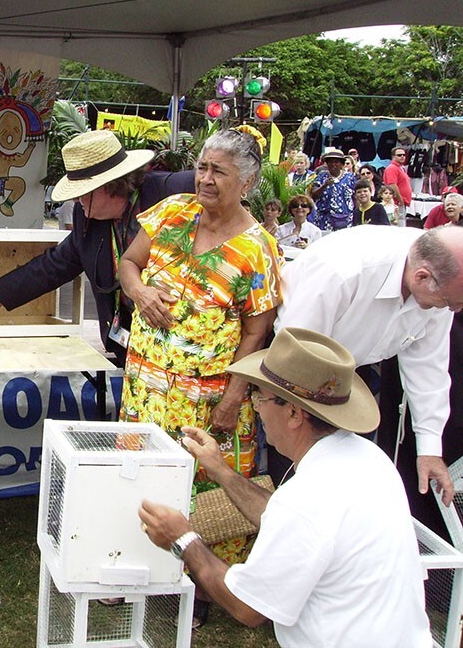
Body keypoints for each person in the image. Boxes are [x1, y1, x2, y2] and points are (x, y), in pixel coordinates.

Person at [137, 328, 430, 648]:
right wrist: (220, 469)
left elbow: (247, 607)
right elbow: (286, 519)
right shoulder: (370, 459)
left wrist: (183, 539)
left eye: (259, 397)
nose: (257, 408)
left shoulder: (306, 498)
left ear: (293, 413)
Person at [117, 128, 283, 621]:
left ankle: (205, 588)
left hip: (206, 400)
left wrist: (234, 396)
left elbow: (256, 334)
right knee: (144, 475)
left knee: (207, 486)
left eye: (218, 172)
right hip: (145, 390)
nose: (204, 179)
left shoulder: (259, 249)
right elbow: (129, 263)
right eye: (203, 167)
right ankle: (142, 567)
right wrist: (141, 294)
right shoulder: (171, 211)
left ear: (247, 182)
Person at [0, 130, 194, 368]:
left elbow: (221, 181)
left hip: (190, 340)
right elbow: (51, 266)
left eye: (81, 193)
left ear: (108, 186)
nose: (76, 201)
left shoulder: (174, 190)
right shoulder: (87, 219)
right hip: (136, 349)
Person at [275, 225, 463, 505]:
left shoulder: (442, 281)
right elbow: (294, 351)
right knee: (294, 479)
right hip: (291, 360)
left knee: (344, 477)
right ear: (422, 276)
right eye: (449, 303)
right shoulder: (342, 270)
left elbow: (429, 367)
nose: (452, 311)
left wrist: (429, 448)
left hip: (355, 368)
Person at [310, 147, 355, 231]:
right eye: (330, 162)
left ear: (342, 164)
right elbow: (313, 194)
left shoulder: (350, 177)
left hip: (345, 219)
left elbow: (355, 197)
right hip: (324, 219)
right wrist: (324, 186)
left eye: (336, 162)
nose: (333, 164)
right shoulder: (321, 177)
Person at [384, 146, 413, 223]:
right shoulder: (392, 168)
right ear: (393, 156)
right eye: (399, 155)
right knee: (399, 225)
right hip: (396, 203)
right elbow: (392, 185)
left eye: (404, 155)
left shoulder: (401, 168)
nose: (402, 156)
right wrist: (401, 200)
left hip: (401, 203)